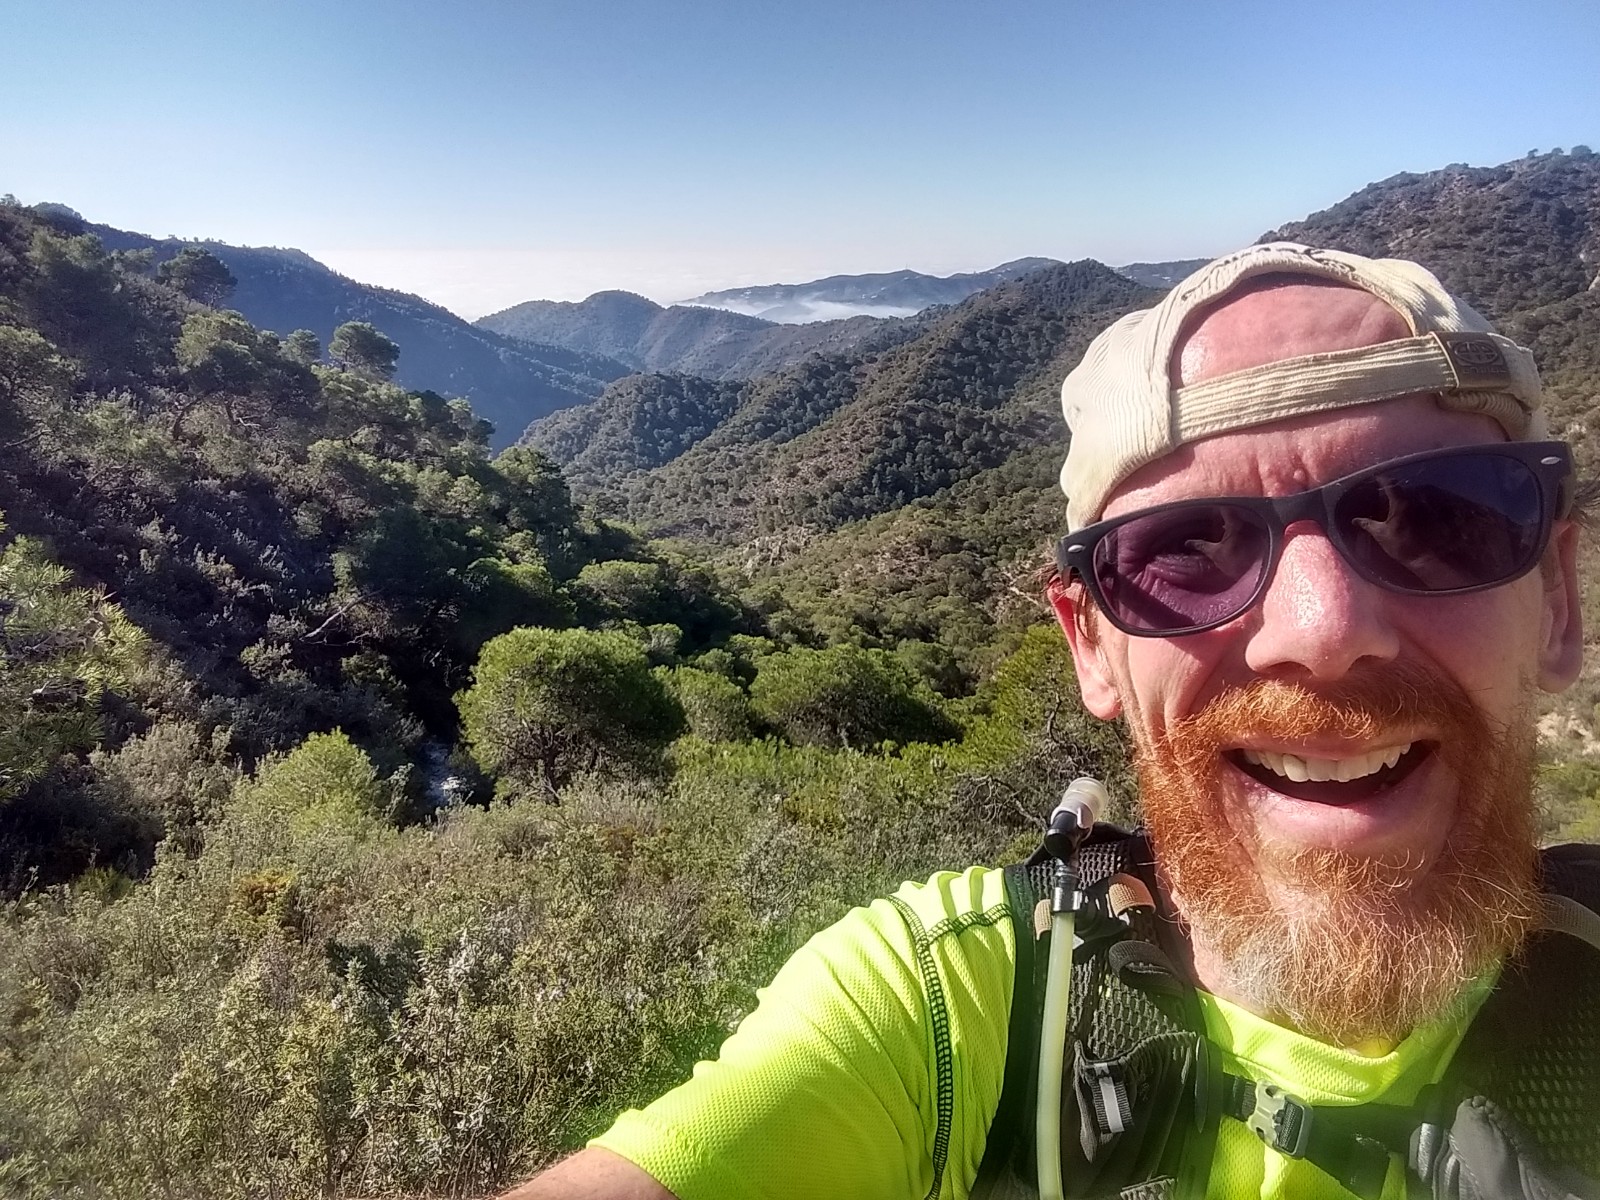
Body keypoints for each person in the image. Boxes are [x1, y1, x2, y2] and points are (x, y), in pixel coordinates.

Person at [504, 244, 1600, 1200]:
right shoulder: (959, 1008)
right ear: (1090, 645)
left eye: (1438, 519)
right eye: (1187, 549)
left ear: (1557, 601)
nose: (1322, 630)